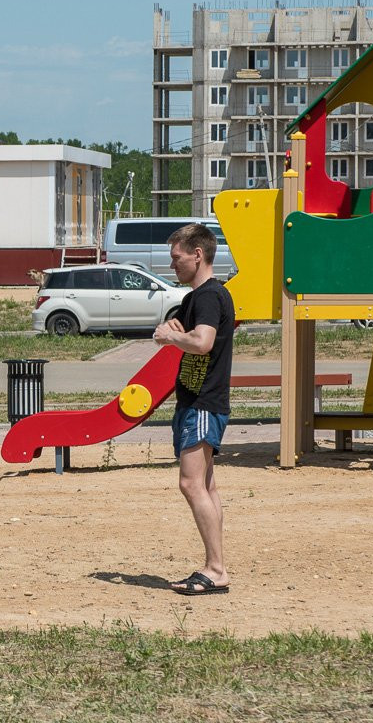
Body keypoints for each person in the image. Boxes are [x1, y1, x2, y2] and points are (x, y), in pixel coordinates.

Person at [152, 223, 234, 596]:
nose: (173, 265)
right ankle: (216, 566)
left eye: (177, 258)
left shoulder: (210, 295)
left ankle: (216, 569)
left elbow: (201, 342)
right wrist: (174, 333)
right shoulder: (195, 299)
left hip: (203, 403)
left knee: (190, 483)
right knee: (205, 485)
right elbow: (183, 335)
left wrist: (173, 336)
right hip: (197, 401)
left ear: (197, 255)